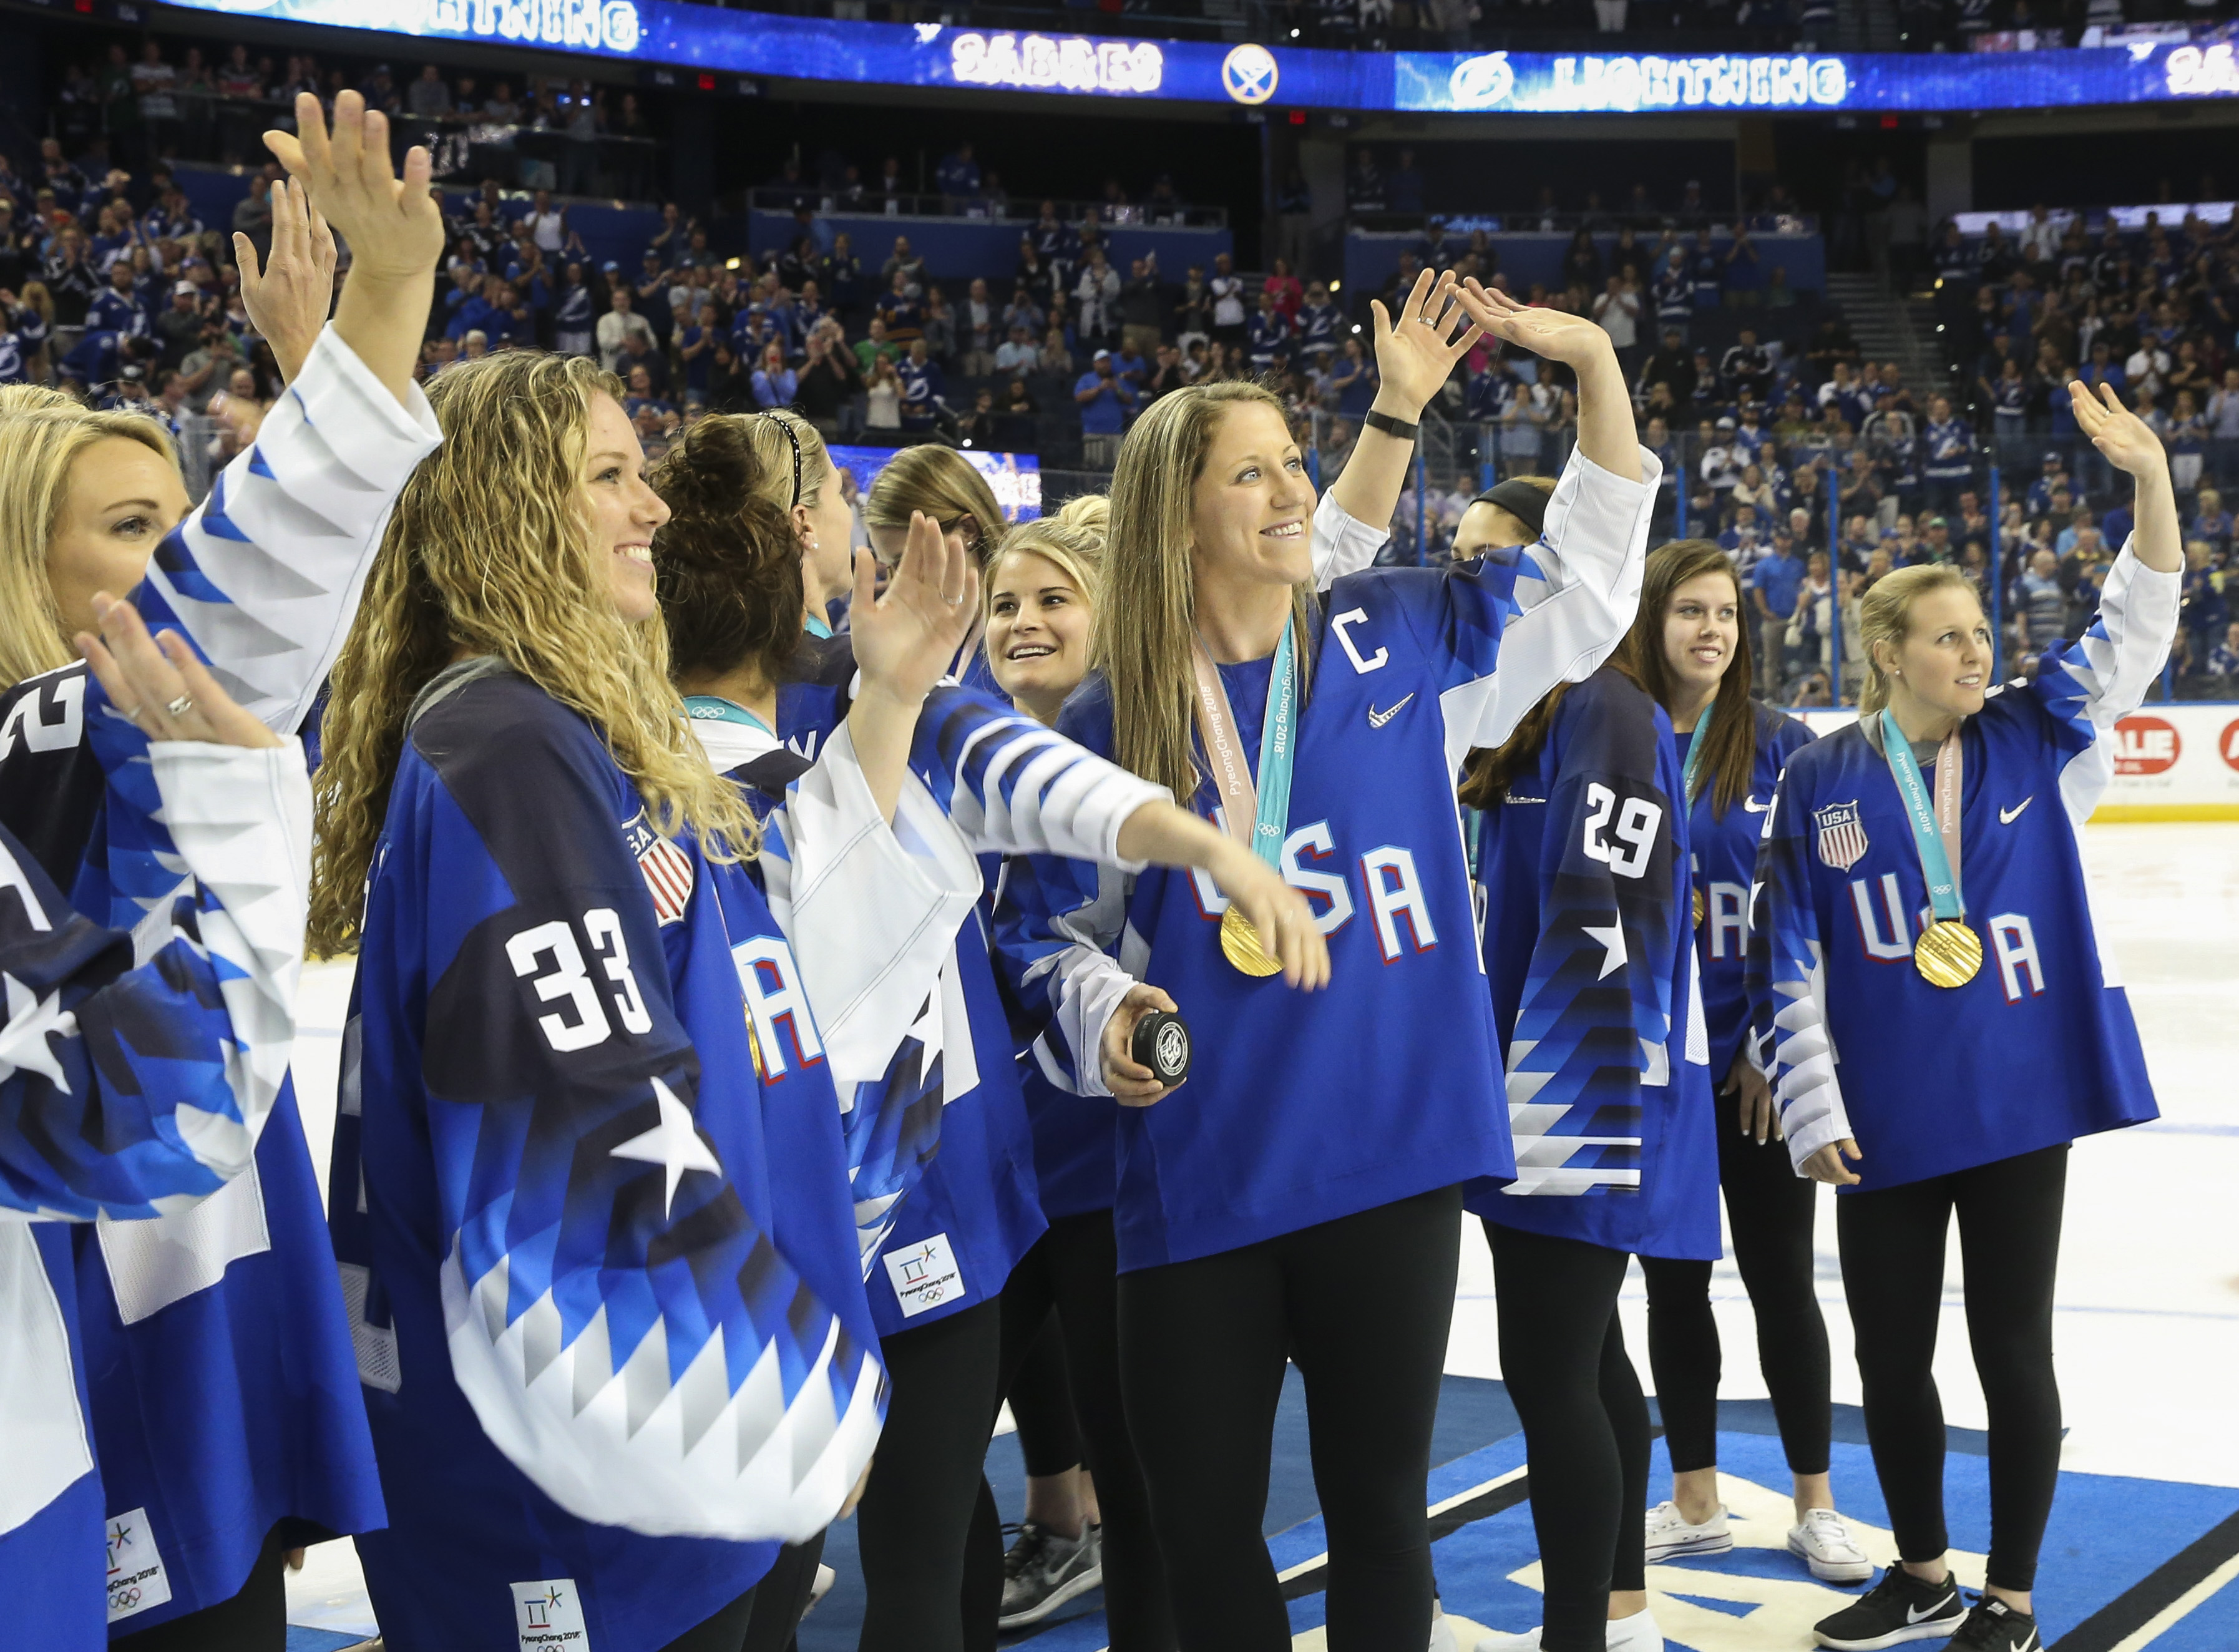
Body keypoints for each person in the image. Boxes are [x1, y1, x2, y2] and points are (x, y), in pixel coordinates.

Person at [993, 270, 1659, 1650]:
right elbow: (1042, 934)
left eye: (1295, 461)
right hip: (1201, 1172)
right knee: (1200, 1531)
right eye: (1255, 473)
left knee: (1377, 1516)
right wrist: (1105, 1012)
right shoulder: (1110, 720)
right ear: (1178, 513)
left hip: (1386, 1160)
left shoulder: (1401, 631)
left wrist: (1595, 368)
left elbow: (1590, 587)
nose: (1295, 490)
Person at [648, 419, 1324, 1652]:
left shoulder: (935, 703)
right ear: (794, 535)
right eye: (1007, 601)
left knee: (1009, 1505)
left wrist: (1176, 868)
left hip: (1010, 1171)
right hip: (873, 1175)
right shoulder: (813, 709)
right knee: (843, 1546)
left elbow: (1027, 867)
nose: (1020, 622)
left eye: (1051, 599)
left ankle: (1063, 1527)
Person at [0, 95, 444, 1650]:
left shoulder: (115, 746)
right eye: (136, 529)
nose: (176, 557)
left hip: (205, 1301)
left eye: (183, 520)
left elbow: (263, 609)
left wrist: (356, 343)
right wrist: (367, 339)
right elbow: (239, 605)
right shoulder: (48, 758)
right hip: (98, 1335)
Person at [1753, 383, 2180, 1652]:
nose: (1978, 652)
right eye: (1949, 638)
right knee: (1889, 1356)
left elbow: (2137, 619)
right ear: (1890, 653)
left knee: (2011, 1352)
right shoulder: (1820, 776)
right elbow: (1789, 957)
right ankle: (1924, 1573)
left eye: (1982, 631)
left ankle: (2013, 1598)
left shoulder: (2041, 735)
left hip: (2017, 1107)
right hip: (1882, 1117)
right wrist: (1812, 1107)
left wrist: (2152, 479)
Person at [0, 596, 318, 1652]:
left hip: (128, 1439)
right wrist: (255, 819)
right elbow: (153, 1122)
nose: (172, 577)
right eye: (134, 528)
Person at [1606, 541, 1870, 1586]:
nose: (1711, 630)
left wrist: (1767, 1046)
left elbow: (1813, 919)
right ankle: (1696, 1501)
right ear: (1650, 621)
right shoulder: (1610, 736)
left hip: (1755, 1073)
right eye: (1690, 612)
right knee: (1673, 1291)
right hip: (1653, 1076)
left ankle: (1817, 1505)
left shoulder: (1786, 748)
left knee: (1781, 1286)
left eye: (1725, 614)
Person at [1460, 620, 1715, 1652]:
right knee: (1587, 1356)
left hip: (1573, 1084)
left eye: (1492, 557)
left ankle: (1586, 1633)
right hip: (1516, 1083)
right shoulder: (1520, 710)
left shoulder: (1605, 708)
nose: (1474, 586)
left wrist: (1563, 1120)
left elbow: (1612, 922)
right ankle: (1620, 1614)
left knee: (1550, 1370)